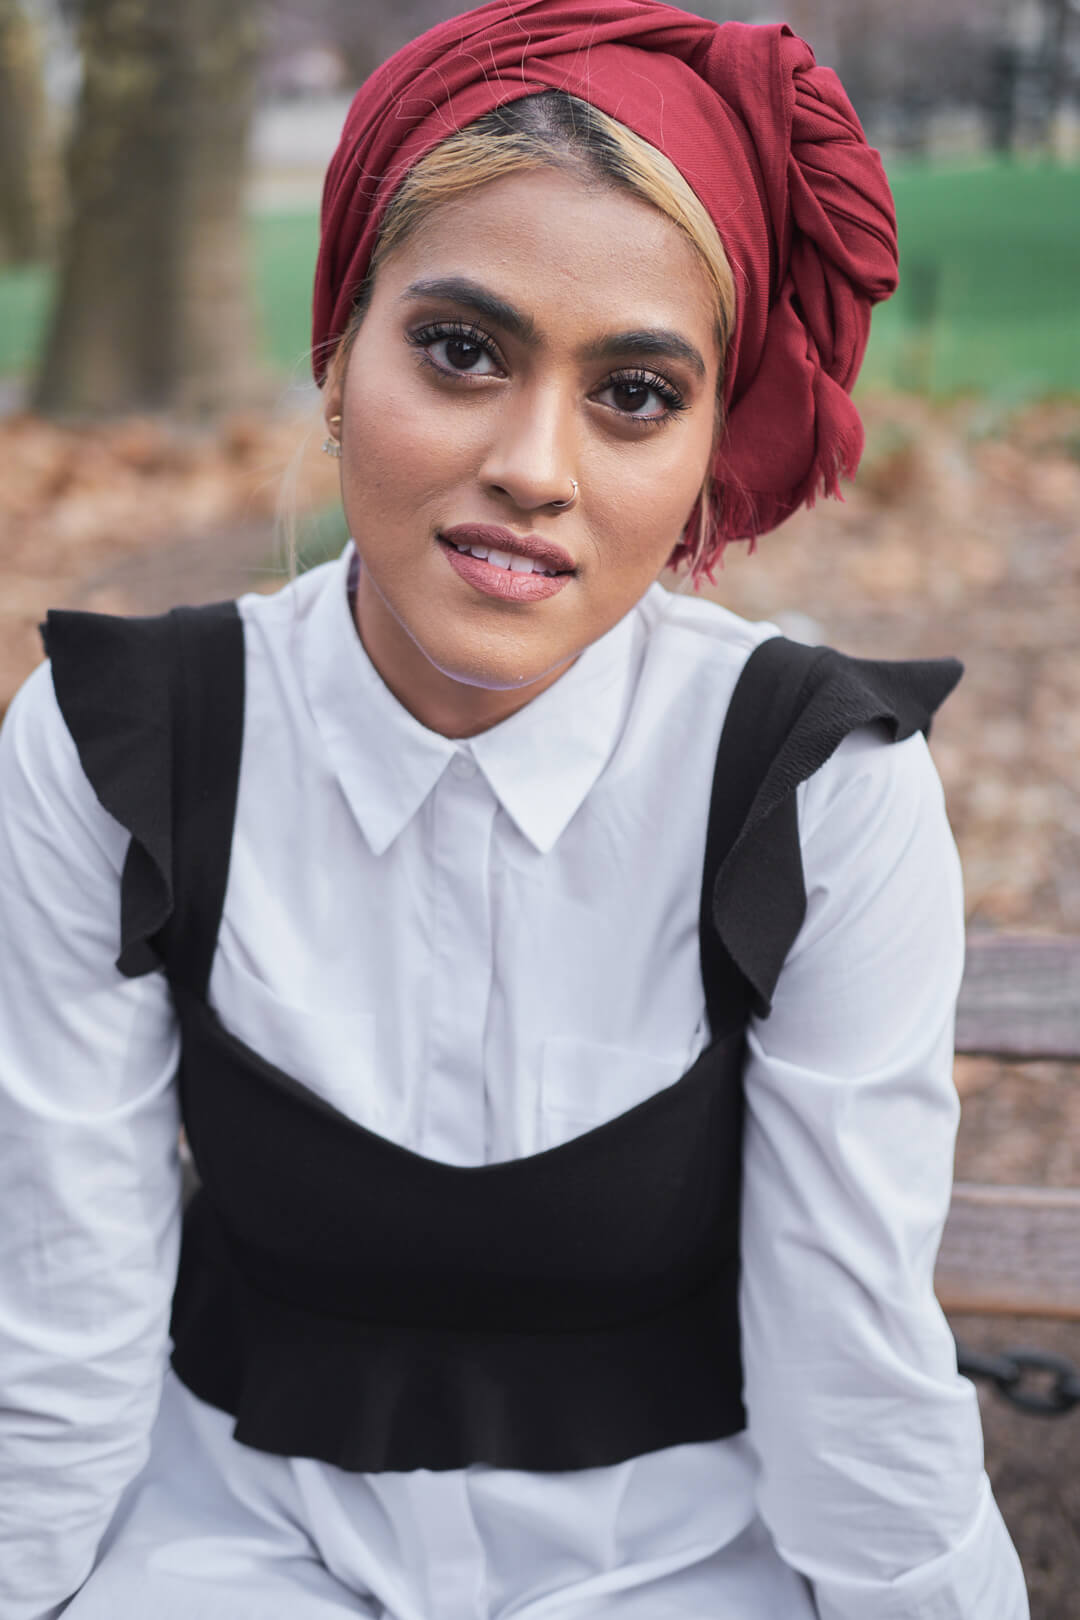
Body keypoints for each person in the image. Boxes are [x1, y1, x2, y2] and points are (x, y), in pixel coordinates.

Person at [0, 2, 1029, 1617]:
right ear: (339, 348)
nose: (534, 466)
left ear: (701, 454)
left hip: (688, 1571)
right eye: (462, 351)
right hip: (230, 1555)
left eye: (632, 393)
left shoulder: (818, 792)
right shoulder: (120, 744)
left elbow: (855, 1373)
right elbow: (56, 1311)